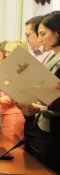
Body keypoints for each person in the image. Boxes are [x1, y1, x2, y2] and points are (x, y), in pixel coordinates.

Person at [18, 12, 60, 174]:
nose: (40, 39)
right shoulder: (53, 59)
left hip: (55, 130)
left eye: (43, 34)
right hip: (44, 126)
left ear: (57, 31)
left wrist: (39, 102)